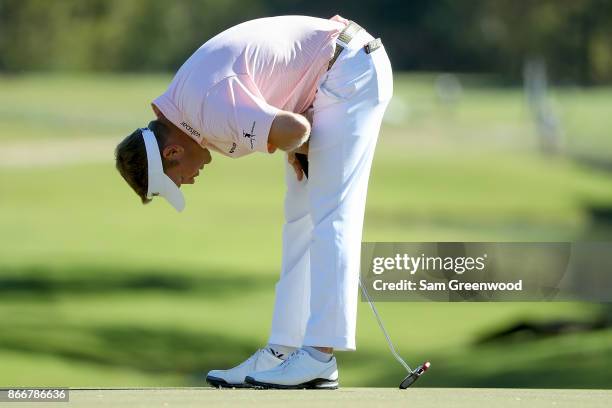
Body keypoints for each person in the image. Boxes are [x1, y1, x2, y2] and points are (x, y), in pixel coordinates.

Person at [115, 14, 392, 389]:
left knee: (332, 215)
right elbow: (287, 123)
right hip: (332, 74)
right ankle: (282, 350)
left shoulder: (209, 111)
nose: (189, 182)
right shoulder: (185, 109)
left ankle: (319, 359)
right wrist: (295, 142)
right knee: (299, 217)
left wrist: (294, 142)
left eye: (176, 178)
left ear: (173, 151)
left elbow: (296, 130)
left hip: (349, 70)